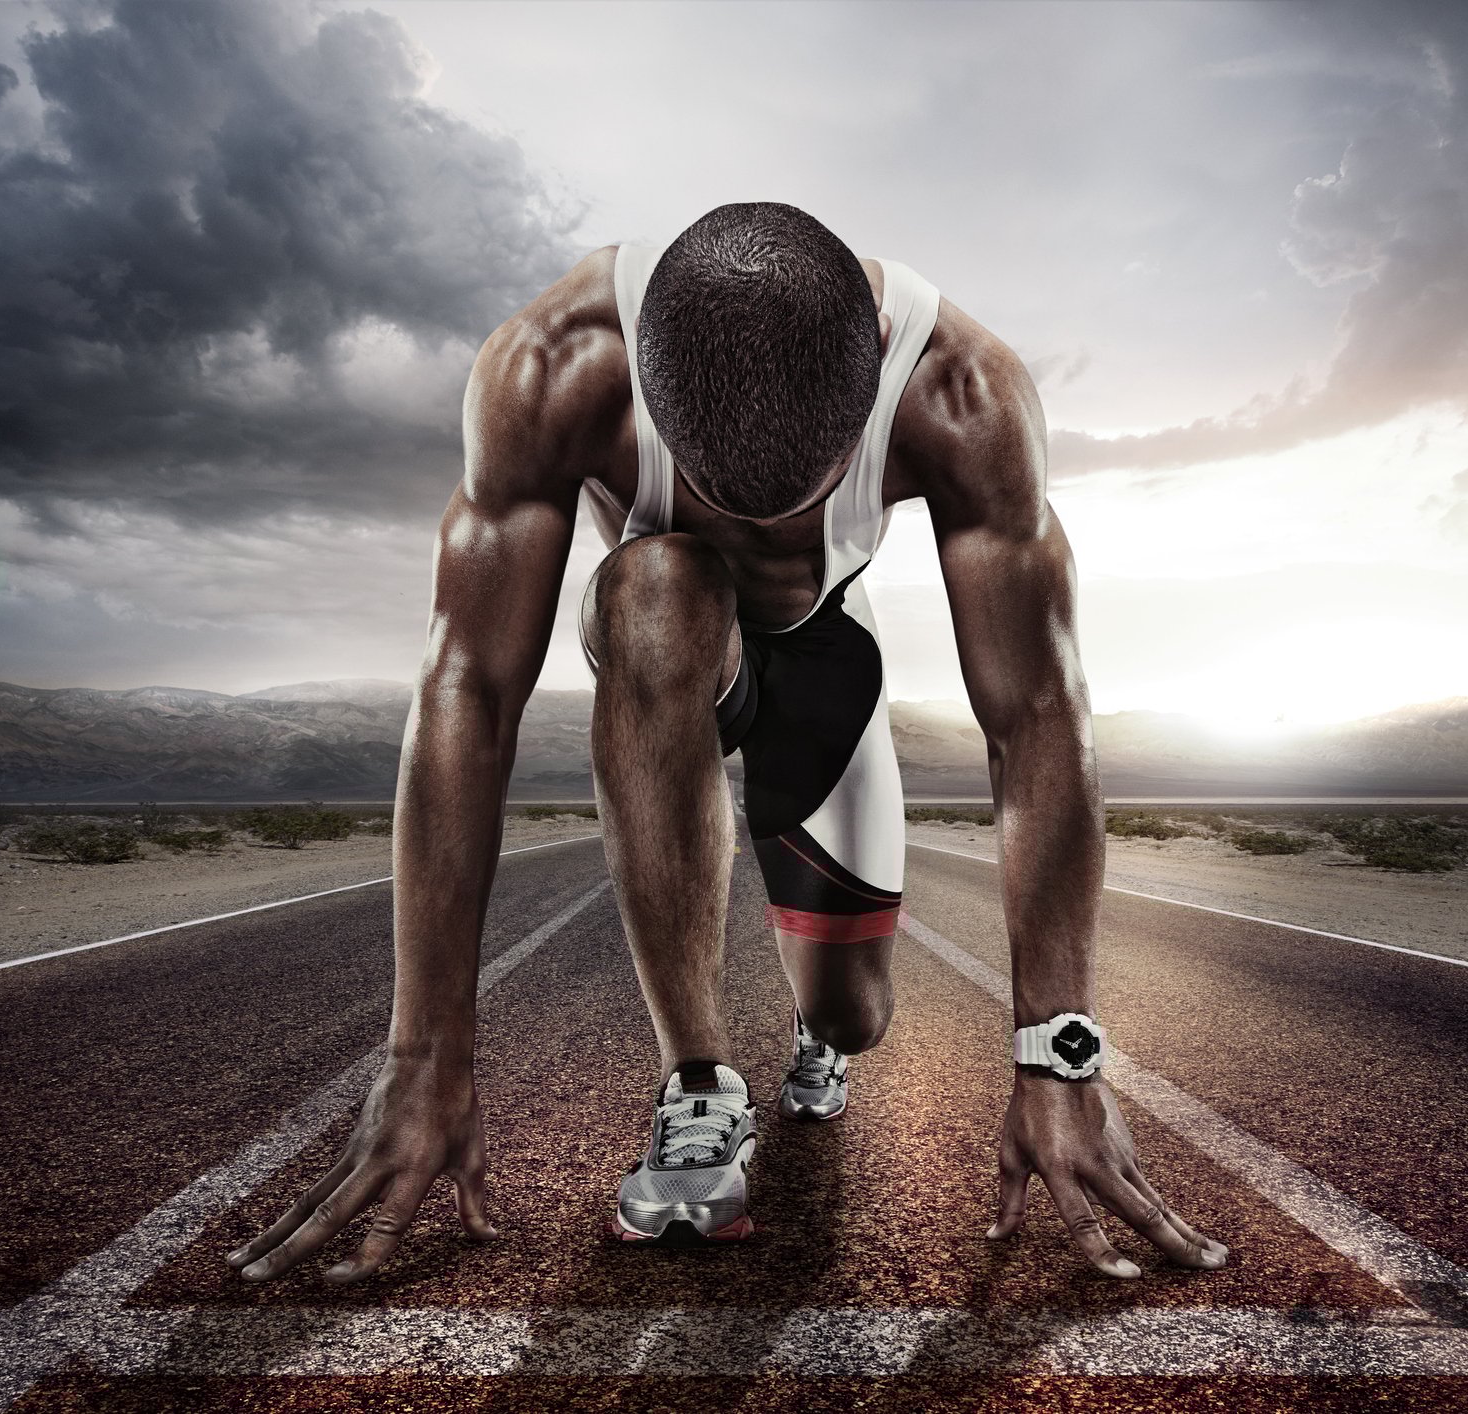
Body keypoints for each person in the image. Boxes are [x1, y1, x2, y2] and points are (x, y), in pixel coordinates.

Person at [226, 202, 1228, 1281]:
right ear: (647, 395)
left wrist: (1060, 1058)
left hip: (824, 662)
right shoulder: (555, 366)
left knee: (855, 1018)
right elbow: (468, 688)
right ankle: (696, 1080)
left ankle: (815, 1029)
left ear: (873, 387)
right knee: (659, 582)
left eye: (794, 509)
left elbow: (1038, 714)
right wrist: (423, 1056)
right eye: (724, 501)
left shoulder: (961, 393)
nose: (764, 533)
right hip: (675, 652)